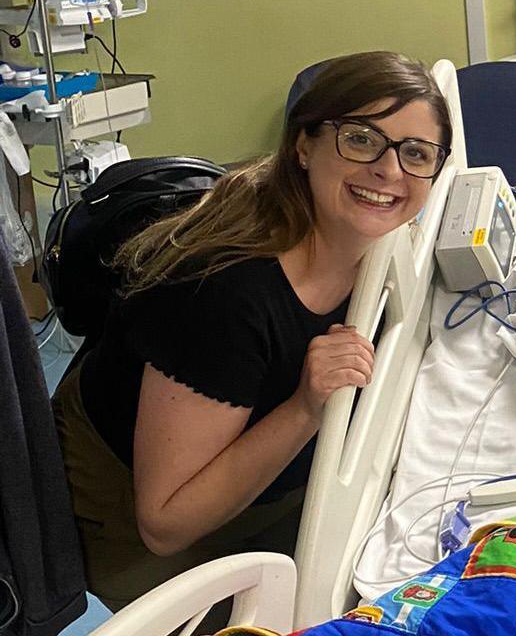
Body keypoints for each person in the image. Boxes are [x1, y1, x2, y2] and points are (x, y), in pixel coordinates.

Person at [51, 51, 453, 610]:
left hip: (262, 485)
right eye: (361, 139)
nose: (389, 171)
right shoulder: (224, 293)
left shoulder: (359, 238)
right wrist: (306, 408)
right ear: (304, 144)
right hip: (143, 534)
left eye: (416, 154)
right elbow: (164, 524)